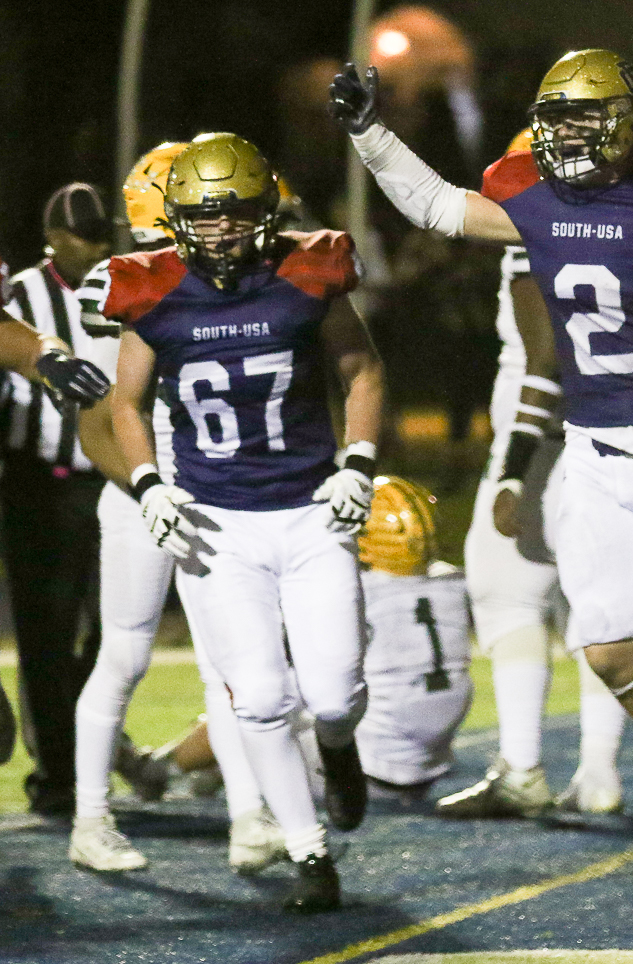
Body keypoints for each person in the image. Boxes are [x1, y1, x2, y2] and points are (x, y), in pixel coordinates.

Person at [332, 48, 633, 903]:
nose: (565, 136)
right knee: (609, 649)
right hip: (593, 448)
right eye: (555, 120)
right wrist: (370, 133)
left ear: (630, 124)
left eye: (584, 119)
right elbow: (438, 205)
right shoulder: (537, 196)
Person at [106, 133, 383, 913]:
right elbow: (126, 402)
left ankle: (338, 747)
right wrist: (148, 484)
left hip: (309, 510)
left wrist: (359, 462)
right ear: (177, 219)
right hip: (216, 523)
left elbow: (361, 369)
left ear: (266, 210)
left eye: (234, 214)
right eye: (203, 216)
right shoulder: (149, 285)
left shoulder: (309, 268)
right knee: (257, 696)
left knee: (334, 696)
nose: (220, 230)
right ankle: (308, 851)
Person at [69, 143, 283, 873]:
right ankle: (90, 820)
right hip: (143, 494)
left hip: (209, 491)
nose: (224, 221)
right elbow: (97, 420)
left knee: (229, 663)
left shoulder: (218, 280)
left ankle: (249, 817)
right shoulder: (120, 284)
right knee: (125, 654)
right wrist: (145, 488)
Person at [443, 131, 627, 820]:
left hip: (547, 443)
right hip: (616, 437)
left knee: (508, 594)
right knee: (597, 608)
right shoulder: (627, 225)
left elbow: (545, 357)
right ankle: (600, 771)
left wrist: (516, 469)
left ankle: (522, 766)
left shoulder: (541, 233)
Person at [0, 183, 120, 816]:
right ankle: (57, 776)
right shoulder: (21, 294)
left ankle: (88, 747)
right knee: (46, 634)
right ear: (52, 239)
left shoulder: (125, 283)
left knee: (117, 633)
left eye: (104, 235)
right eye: (86, 236)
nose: (99, 247)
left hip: (113, 482)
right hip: (40, 485)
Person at [355, 476, 474, 793]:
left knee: (257, 703)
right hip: (435, 759)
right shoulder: (453, 584)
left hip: (369, 764)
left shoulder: (360, 592)